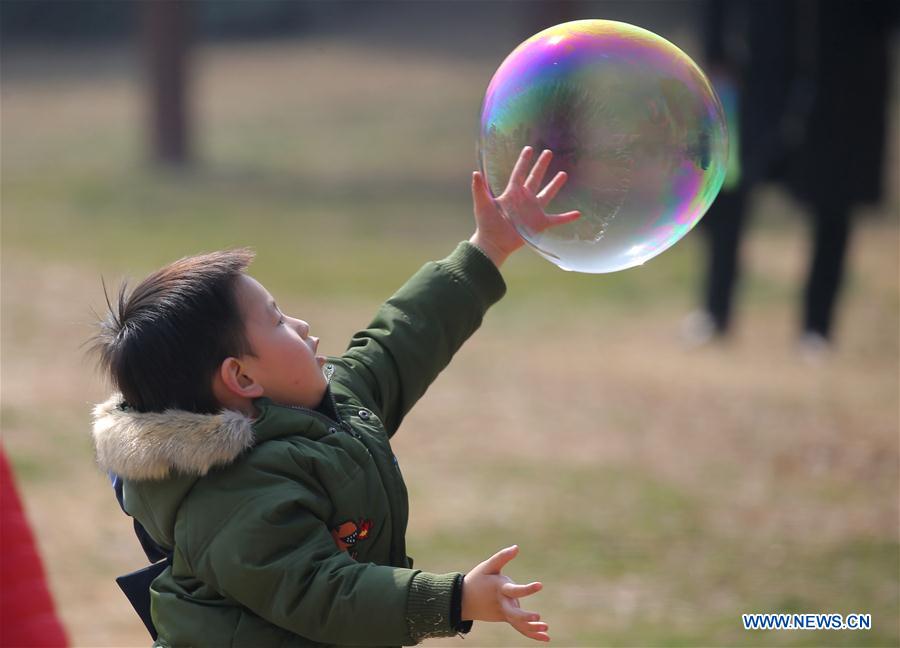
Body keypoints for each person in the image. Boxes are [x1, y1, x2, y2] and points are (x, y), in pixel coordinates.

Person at [89, 146, 579, 646]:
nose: (301, 325)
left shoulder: (323, 406)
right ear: (240, 378)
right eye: (278, 320)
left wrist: (486, 248)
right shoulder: (230, 496)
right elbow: (325, 592)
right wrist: (453, 600)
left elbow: (399, 343)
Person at [685, 0, 894, 355]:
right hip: (755, 68)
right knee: (727, 188)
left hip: (842, 74)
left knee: (833, 201)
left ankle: (817, 328)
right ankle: (714, 311)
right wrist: (715, 49)